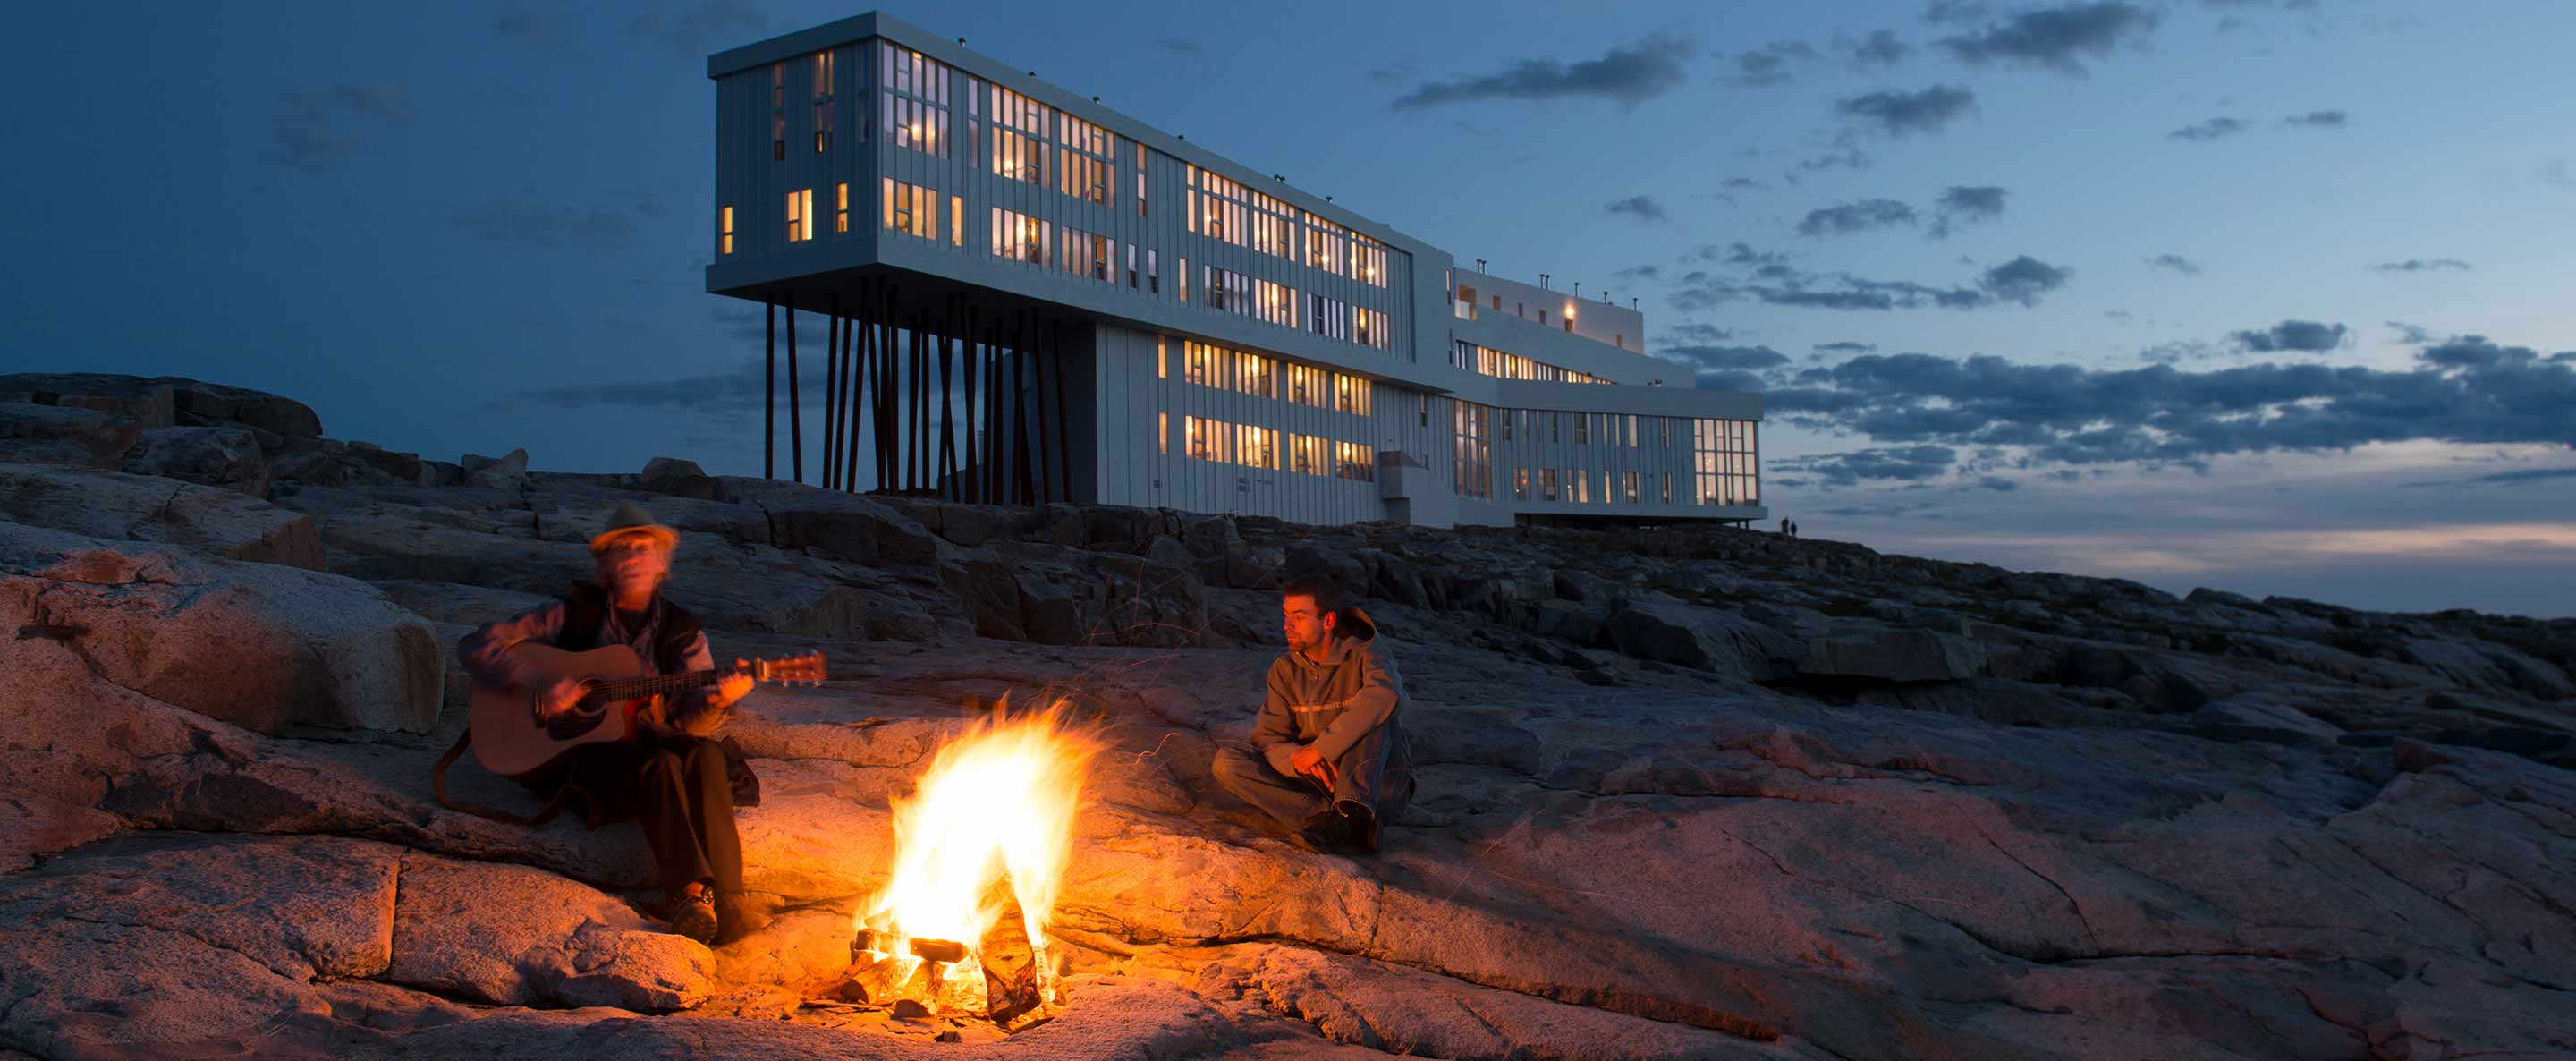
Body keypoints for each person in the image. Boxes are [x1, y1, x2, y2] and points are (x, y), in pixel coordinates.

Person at [458, 504, 759, 943]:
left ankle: (731, 898)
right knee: (659, 765)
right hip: (577, 758)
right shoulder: (570, 613)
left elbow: (691, 726)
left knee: (708, 754)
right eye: (622, 548)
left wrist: (720, 698)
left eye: (644, 548)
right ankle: (689, 895)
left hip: (644, 748)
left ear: (662, 563)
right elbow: (476, 645)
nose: (634, 556)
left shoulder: (683, 633)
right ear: (605, 564)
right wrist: (541, 680)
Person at [1210, 573, 1414, 854]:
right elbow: (1269, 738)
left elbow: (1386, 695)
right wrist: (1298, 761)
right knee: (1226, 764)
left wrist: (1321, 749)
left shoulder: (1367, 653)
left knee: (1377, 716)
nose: (1287, 625)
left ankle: (1352, 812)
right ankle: (1342, 824)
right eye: (1286, 615)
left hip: (1377, 786)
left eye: (1299, 617)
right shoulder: (1284, 671)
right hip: (1321, 785)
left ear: (1328, 621)